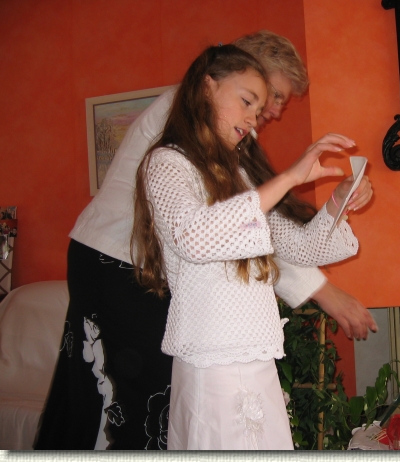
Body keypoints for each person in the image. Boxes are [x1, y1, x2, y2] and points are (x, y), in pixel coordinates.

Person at [35, 30, 374, 451]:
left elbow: (263, 229)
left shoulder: (232, 156)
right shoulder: (175, 146)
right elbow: (206, 232)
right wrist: (324, 289)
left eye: (268, 103)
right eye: (264, 97)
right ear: (220, 79)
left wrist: (339, 201)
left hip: (209, 316)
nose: (268, 112)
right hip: (117, 264)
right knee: (125, 403)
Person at [132, 43, 368, 450]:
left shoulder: (237, 175)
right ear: (207, 87)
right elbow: (194, 237)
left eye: (257, 110)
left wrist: (338, 201)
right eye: (246, 102)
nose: (253, 119)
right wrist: (289, 178)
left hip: (255, 359)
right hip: (213, 361)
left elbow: (299, 248)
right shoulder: (167, 163)